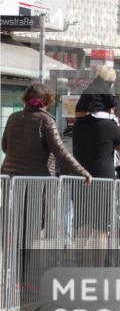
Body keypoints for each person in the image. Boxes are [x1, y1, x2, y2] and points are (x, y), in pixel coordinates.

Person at [2, 84, 91, 290]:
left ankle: (13, 278)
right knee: (31, 231)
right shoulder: (46, 121)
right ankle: (21, 280)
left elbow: (5, 145)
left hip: (11, 180)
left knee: (14, 229)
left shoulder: (13, 118)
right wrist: (83, 172)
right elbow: (61, 152)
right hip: (36, 183)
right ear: (47, 101)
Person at [72, 97, 120, 266]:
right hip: (103, 183)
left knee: (83, 226)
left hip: (81, 181)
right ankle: (97, 270)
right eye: (113, 110)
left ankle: (81, 267)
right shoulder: (108, 126)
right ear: (108, 110)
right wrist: (117, 127)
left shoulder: (78, 126)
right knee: (100, 228)